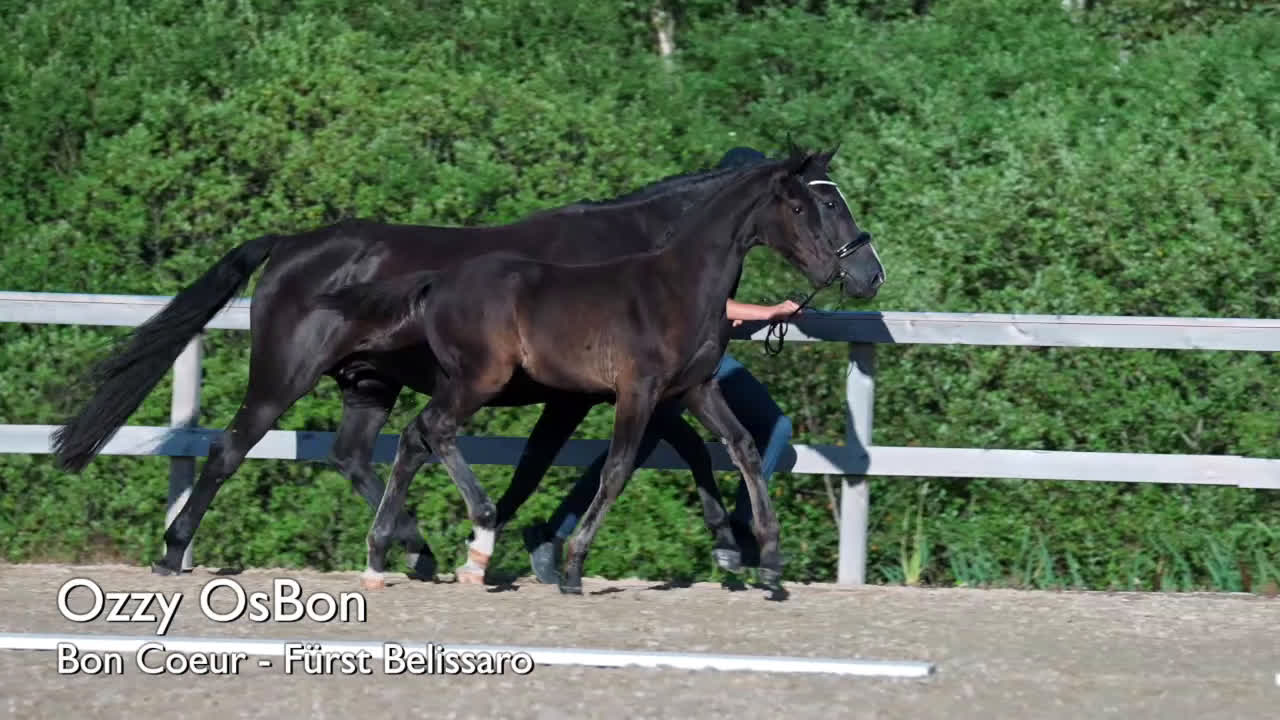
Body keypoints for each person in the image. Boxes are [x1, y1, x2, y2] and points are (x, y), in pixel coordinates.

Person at [521, 147, 797, 583]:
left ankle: (743, 532)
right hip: (665, 357)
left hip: (707, 355)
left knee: (775, 427)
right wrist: (768, 312)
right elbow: (691, 302)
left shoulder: (738, 241)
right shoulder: (686, 232)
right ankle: (555, 532)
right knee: (641, 441)